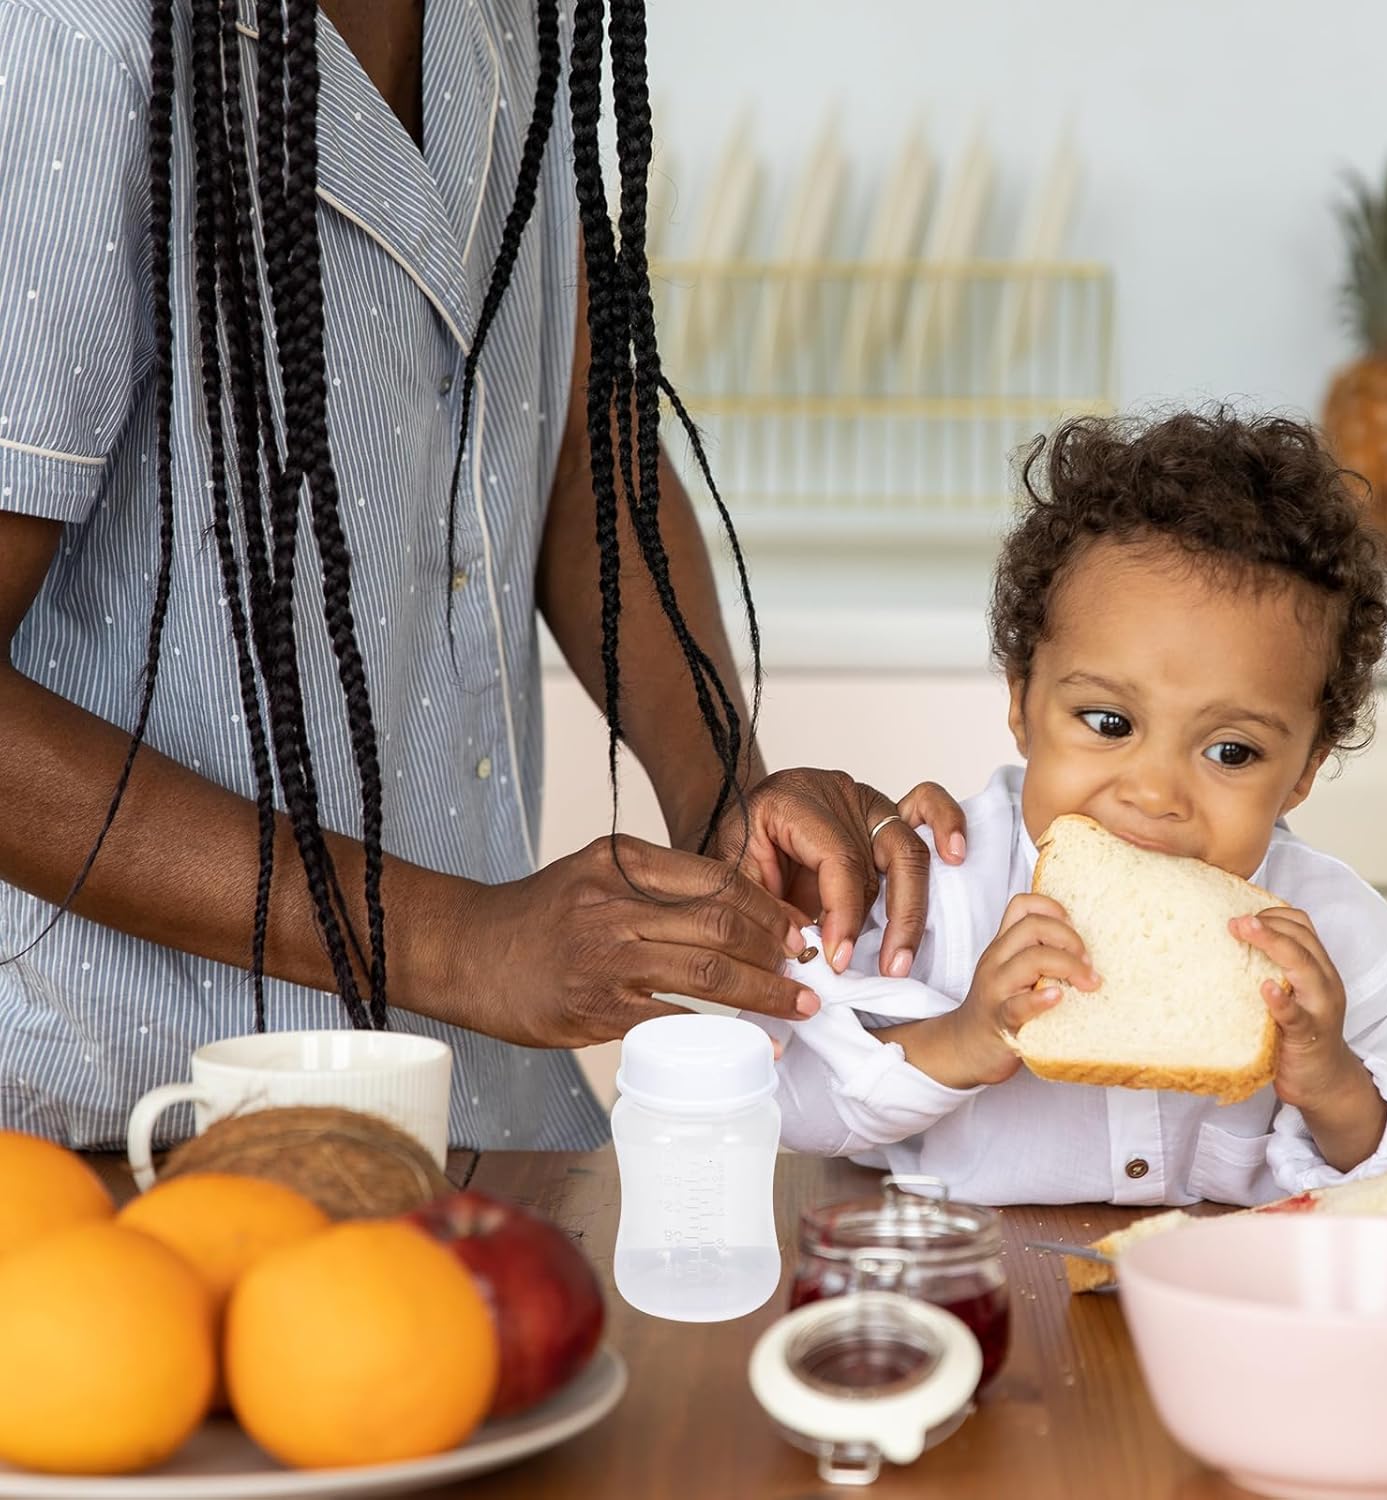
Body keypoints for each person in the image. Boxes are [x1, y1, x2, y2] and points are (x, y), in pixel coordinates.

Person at [0, 0, 962, 1150]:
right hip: (123, 1130)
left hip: (476, 1119)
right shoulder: (69, 42)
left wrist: (726, 798)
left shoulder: (512, 17)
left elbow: (567, 440)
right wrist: (465, 942)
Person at [760, 410, 1387, 1206]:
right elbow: (789, 1103)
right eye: (1109, 724)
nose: (1154, 793)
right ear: (1022, 702)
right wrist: (962, 1038)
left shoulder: (1318, 933)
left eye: (1232, 752)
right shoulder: (940, 888)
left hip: (1226, 1303)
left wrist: (1335, 1085)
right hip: (977, 1288)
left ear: (1305, 772)